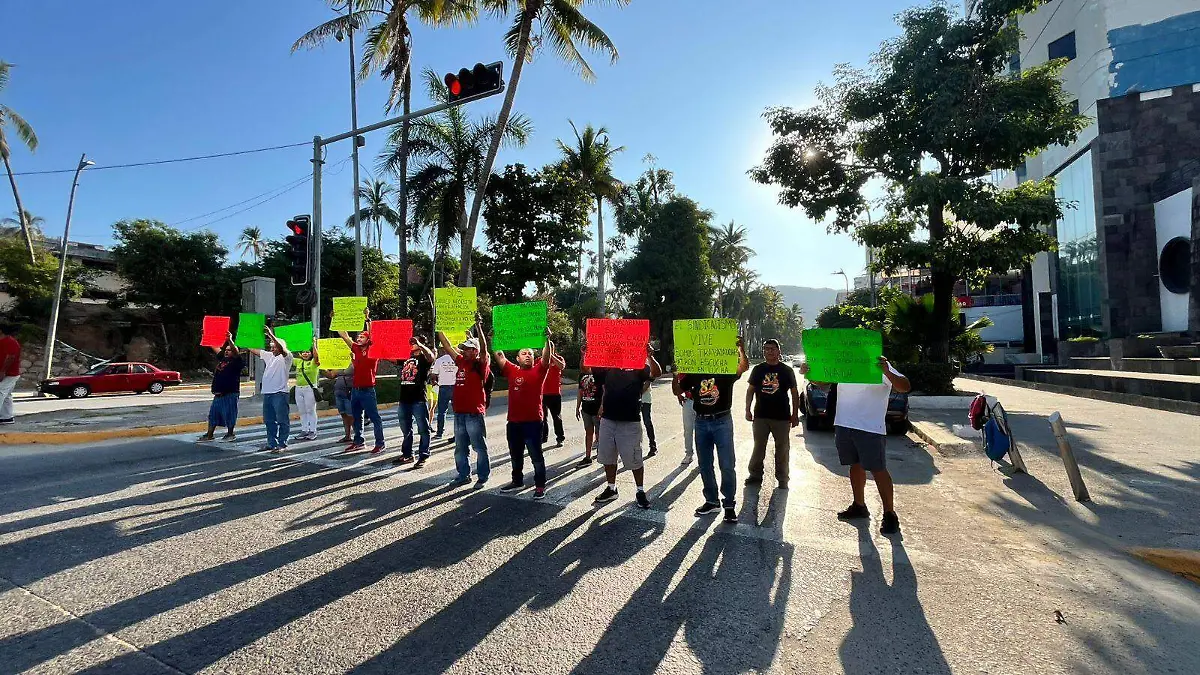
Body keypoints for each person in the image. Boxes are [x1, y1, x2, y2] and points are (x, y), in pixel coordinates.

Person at [802, 355, 910, 535]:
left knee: (878, 469)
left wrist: (886, 371)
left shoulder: (880, 365)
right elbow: (824, 382)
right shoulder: (846, 365)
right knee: (855, 465)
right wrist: (810, 374)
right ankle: (859, 505)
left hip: (870, 427)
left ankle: (890, 514)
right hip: (844, 424)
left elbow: (904, 386)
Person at [675, 337, 750, 524]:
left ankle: (729, 504)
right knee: (705, 464)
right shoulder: (694, 372)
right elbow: (677, 390)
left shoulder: (724, 369)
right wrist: (678, 371)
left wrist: (741, 349)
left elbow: (743, 367)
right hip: (701, 422)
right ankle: (711, 500)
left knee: (727, 464)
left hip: (722, 421)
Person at [591, 343, 662, 509]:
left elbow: (656, 373)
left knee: (634, 459)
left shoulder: (637, 364)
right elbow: (589, 369)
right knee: (608, 457)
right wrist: (588, 352)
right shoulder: (607, 366)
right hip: (608, 420)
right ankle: (611, 488)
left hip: (630, 421)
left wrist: (649, 356)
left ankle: (640, 491)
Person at [495, 336, 556, 499]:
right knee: (515, 455)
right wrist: (495, 337)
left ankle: (540, 486)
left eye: (530, 353)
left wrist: (547, 339)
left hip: (533, 423)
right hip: (513, 423)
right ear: (517, 358)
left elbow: (546, 356)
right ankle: (517, 481)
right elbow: (499, 355)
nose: (528, 355)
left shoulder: (539, 370)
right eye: (524, 353)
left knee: (536, 456)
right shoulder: (511, 370)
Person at [436, 318, 490, 488]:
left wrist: (479, 327)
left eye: (466, 349)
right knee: (460, 448)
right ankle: (463, 475)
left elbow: (484, 348)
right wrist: (439, 327)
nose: (463, 351)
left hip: (474, 412)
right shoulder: (461, 361)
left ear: (474, 351)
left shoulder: (480, 365)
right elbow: (447, 346)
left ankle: (482, 476)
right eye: (463, 349)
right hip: (459, 412)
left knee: (479, 447)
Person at [744, 338, 801, 489]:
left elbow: (795, 394)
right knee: (758, 447)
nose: (769, 351)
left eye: (772, 349)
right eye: (766, 349)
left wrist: (795, 415)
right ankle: (755, 475)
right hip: (761, 416)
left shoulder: (786, 371)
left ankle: (783, 478)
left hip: (782, 417)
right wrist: (747, 409)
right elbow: (750, 391)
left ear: (778, 351)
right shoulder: (758, 370)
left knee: (782, 448)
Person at [335, 306, 385, 454]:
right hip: (355, 390)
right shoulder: (356, 349)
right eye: (358, 337)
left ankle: (380, 443)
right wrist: (336, 319)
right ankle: (358, 442)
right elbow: (344, 336)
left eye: (362, 337)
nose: (358, 338)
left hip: (368, 390)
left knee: (375, 418)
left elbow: (373, 335)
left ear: (368, 339)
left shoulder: (373, 349)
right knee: (357, 417)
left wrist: (367, 318)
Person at [248, 325, 291, 454]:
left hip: (280, 393)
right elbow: (252, 349)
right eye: (271, 347)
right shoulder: (269, 356)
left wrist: (270, 334)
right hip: (268, 393)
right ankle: (271, 443)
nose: (272, 349)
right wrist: (244, 337)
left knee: (282, 419)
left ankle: (282, 443)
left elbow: (282, 349)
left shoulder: (287, 357)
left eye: (274, 347)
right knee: (269, 420)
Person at [395, 335, 435, 468]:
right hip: (404, 399)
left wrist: (420, 344)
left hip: (418, 399)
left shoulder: (424, 358)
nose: (412, 343)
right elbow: (391, 358)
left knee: (423, 428)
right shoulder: (407, 357)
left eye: (415, 341)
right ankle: (407, 454)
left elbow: (431, 357)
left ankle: (424, 455)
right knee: (406, 429)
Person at [197, 331, 243, 442]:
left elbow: (236, 352)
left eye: (229, 350)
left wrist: (230, 340)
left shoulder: (237, 361)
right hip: (218, 394)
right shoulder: (223, 359)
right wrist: (207, 336)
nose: (226, 352)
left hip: (230, 393)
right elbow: (215, 347)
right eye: (226, 350)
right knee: (213, 415)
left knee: (230, 414)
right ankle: (209, 434)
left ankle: (230, 434)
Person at [574, 345, 602, 468]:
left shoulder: (599, 374)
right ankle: (588, 456)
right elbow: (580, 391)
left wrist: (602, 406)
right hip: (586, 409)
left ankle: (602, 453)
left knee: (600, 432)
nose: (584, 362)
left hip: (597, 408)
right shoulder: (581, 376)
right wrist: (577, 406)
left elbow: (605, 390)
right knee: (588, 432)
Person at [540, 347, 567, 448]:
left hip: (554, 394)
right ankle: (543, 437)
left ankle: (560, 438)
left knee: (557, 417)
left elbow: (562, 366)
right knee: (542, 418)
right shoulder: (540, 360)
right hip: (542, 394)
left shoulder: (558, 358)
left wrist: (551, 355)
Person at [293, 342, 321, 441]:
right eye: (303, 352)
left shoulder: (314, 362)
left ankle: (313, 431)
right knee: (302, 411)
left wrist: (314, 344)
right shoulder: (297, 361)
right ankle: (304, 430)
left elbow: (317, 357)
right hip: (298, 389)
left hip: (309, 388)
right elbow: (286, 355)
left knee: (310, 410)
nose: (305, 353)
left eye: (307, 352)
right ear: (300, 354)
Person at [322, 362, 356, 443]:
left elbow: (349, 371)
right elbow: (331, 375)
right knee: (344, 415)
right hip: (339, 393)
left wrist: (337, 370)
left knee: (351, 415)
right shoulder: (338, 363)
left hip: (349, 392)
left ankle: (357, 436)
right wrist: (322, 367)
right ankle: (347, 435)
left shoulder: (353, 361)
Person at [432, 347, 457, 439]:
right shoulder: (457, 359)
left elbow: (433, 375)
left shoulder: (439, 360)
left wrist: (434, 382)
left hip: (443, 387)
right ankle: (457, 433)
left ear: (444, 350)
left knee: (442, 412)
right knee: (457, 412)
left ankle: (439, 433)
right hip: (456, 387)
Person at [0, 324, 21, 425]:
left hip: (10, 374)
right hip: (7, 373)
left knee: (0, 392)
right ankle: (7, 417)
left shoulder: (10, 341)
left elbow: (11, 357)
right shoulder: (3, 341)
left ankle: (6, 417)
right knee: (7, 395)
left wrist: (2, 371)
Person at [675, 371, 696, 465]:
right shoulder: (686, 365)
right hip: (689, 401)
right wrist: (679, 395)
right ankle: (688, 454)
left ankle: (703, 456)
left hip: (703, 402)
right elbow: (678, 379)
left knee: (703, 431)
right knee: (688, 429)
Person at [640, 377, 658, 458]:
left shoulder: (646, 368)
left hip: (645, 400)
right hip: (634, 399)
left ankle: (652, 446)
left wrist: (636, 393)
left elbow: (647, 383)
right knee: (633, 423)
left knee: (647, 422)